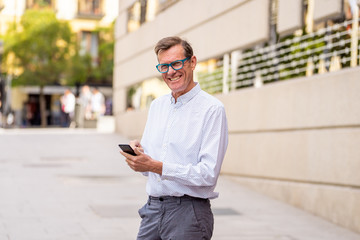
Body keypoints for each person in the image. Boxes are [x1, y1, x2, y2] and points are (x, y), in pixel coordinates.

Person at [119, 36, 228, 239]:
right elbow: (149, 168)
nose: (170, 72)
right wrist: (139, 155)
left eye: (177, 63)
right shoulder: (157, 106)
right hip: (152, 210)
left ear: (192, 62)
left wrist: (155, 166)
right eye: (164, 66)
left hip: (188, 214)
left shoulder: (212, 110)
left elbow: (207, 175)